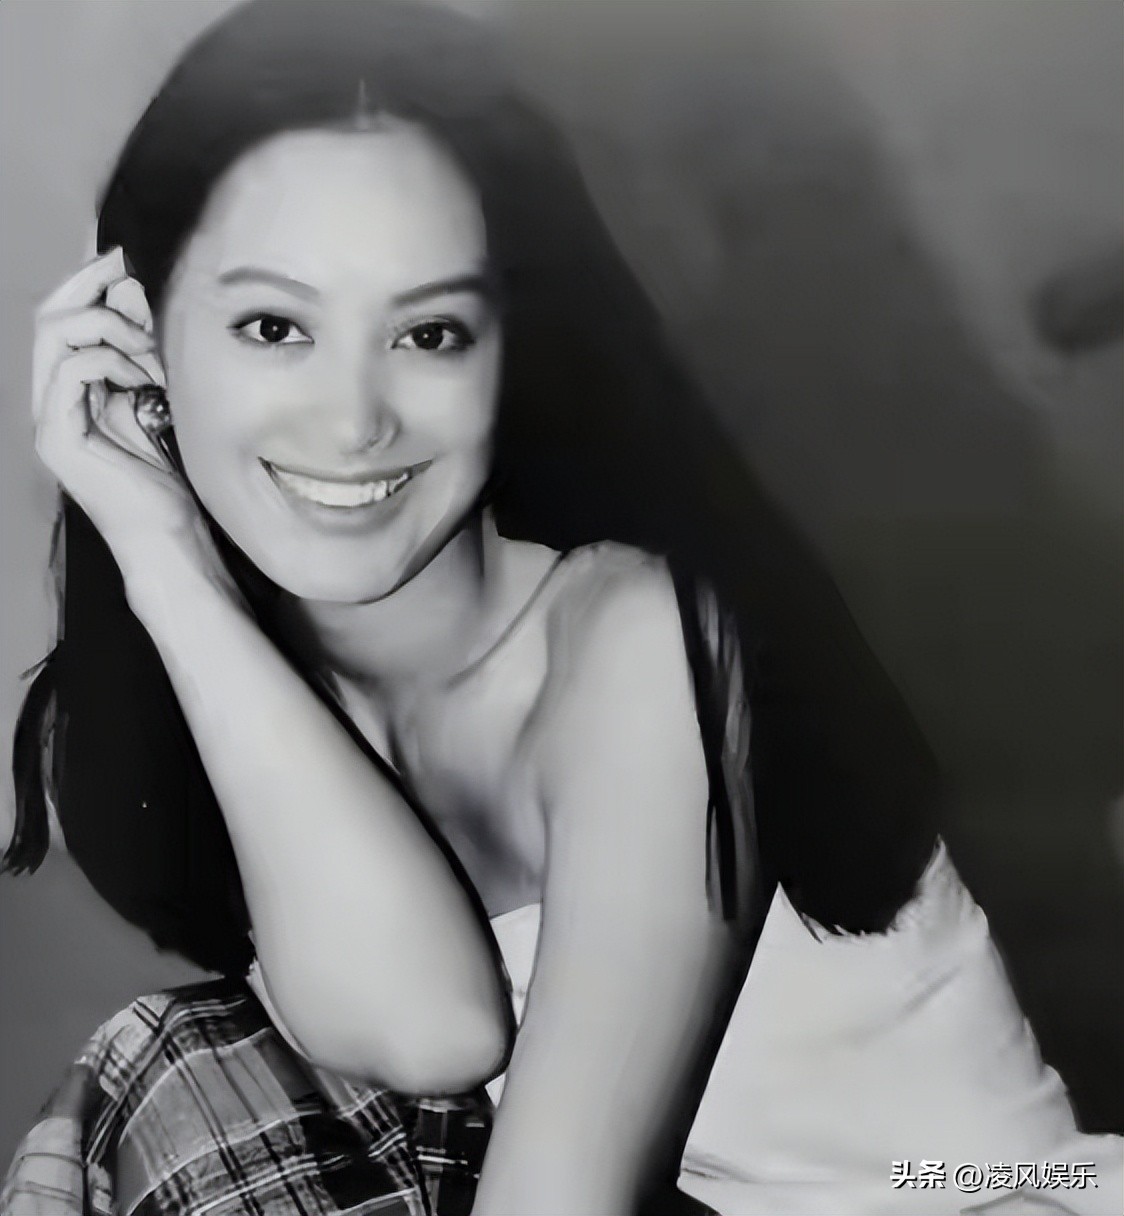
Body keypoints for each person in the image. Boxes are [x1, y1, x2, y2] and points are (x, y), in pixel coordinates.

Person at [3, 2, 1120, 1214]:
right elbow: (432, 1032)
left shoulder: (643, 636)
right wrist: (161, 556)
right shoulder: (225, 691)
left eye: (429, 332)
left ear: (508, 347)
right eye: (274, 326)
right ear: (138, 334)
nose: (354, 420)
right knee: (165, 1074)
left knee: (170, 1079)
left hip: (969, 1197)